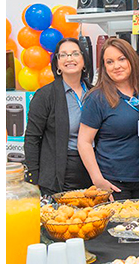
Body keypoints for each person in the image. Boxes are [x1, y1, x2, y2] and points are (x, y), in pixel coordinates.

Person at [78, 37, 139, 199]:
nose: (116, 66)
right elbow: (84, 142)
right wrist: (98, 180)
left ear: (132, 60)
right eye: (109, 62)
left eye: (121, 59)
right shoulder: (97, 98)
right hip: (114, 183)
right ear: (104, 67)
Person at [23, 36, 93, 195]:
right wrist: (33, 178)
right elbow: (32, 138)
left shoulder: (95, 93)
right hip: (59, 174)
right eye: (63, 55)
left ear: (84, 60)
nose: (70, 58)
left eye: (75, 53)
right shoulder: (45, 95)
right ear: (57, 64)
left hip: (94, 171)